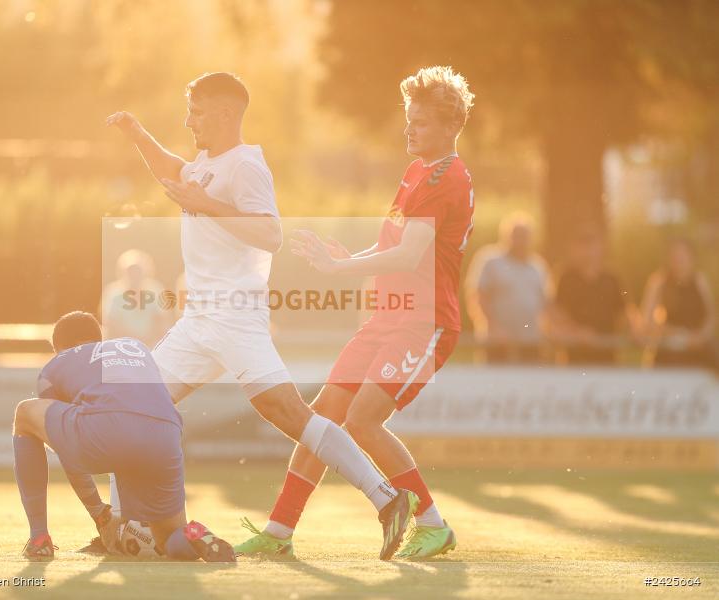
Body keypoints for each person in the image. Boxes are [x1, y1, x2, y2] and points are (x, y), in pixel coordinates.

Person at [106, 72, 417, 561]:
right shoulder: (205, 164)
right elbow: (171, 169)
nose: (188, 121)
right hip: (198, 321)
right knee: (135, 406)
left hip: (235, 318)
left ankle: (387, 499)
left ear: (226, 113)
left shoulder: (248, 165)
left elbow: (270, 233)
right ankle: (120, 525)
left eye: (197, 111)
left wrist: (205, 205)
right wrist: (139, 135)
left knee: (289, 414)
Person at [234, 66, 473, 561]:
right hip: (388, 318)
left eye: (422, 123)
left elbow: (410, 257)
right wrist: (349, 260)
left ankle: (432, 523)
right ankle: (280, 529)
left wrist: (341, 269)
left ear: (450, 127)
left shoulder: (444, 178)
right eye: (408, 120)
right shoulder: (416, 171)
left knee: (363, 422)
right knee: (321, 417)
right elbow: (393, 243)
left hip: (425, 323)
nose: (410, 130)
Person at [12, 310, 235, 562]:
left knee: (24, 414)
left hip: (107, 431)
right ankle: (196, 535)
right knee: (168, 538)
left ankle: (39, 537)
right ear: (99, 337)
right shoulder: (135, 347)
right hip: (165, 435)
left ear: (59, 347)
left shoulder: (56, 364)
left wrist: (98, 511)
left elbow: (66, 446)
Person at [465, 213, 549, 363]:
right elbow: (478, 296)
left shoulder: (537, 266)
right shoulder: (490, 260)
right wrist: (493, 327)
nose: (520, 240)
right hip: (498, 343)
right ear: (505, 236)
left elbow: (546, 304)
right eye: (516, 235)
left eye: (524, 236)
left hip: (529, 343)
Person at [550, 226, 638, 364]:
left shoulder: (612, 278)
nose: (588, 252)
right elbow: (556, 314)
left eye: (592, 246)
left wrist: (633, 330)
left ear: (601, 248)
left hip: (607, 356)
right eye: (583, 246)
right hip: (574, 356)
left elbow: (624, 311)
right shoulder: (566, 278)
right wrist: (577, 332)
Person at [640, 238, 716, 369]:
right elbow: (647, 322)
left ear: (692, 257)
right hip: (668, 353)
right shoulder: (659, 283)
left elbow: (711, 316)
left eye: (683, 254)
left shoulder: (700, 281)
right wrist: (675, 334)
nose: (679, 259)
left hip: (699, 353)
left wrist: (700, 337)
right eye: (675, 254)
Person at [100, 249, 172, 347]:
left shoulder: (156, 290)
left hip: (151, 344)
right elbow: (110, 322)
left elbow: (162, 321)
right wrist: (130, 340)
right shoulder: (113, 293)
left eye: (138, 270)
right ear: (123, 272)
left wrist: (150, 341)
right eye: (130, 271)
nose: (134, 274)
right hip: (120, 344)